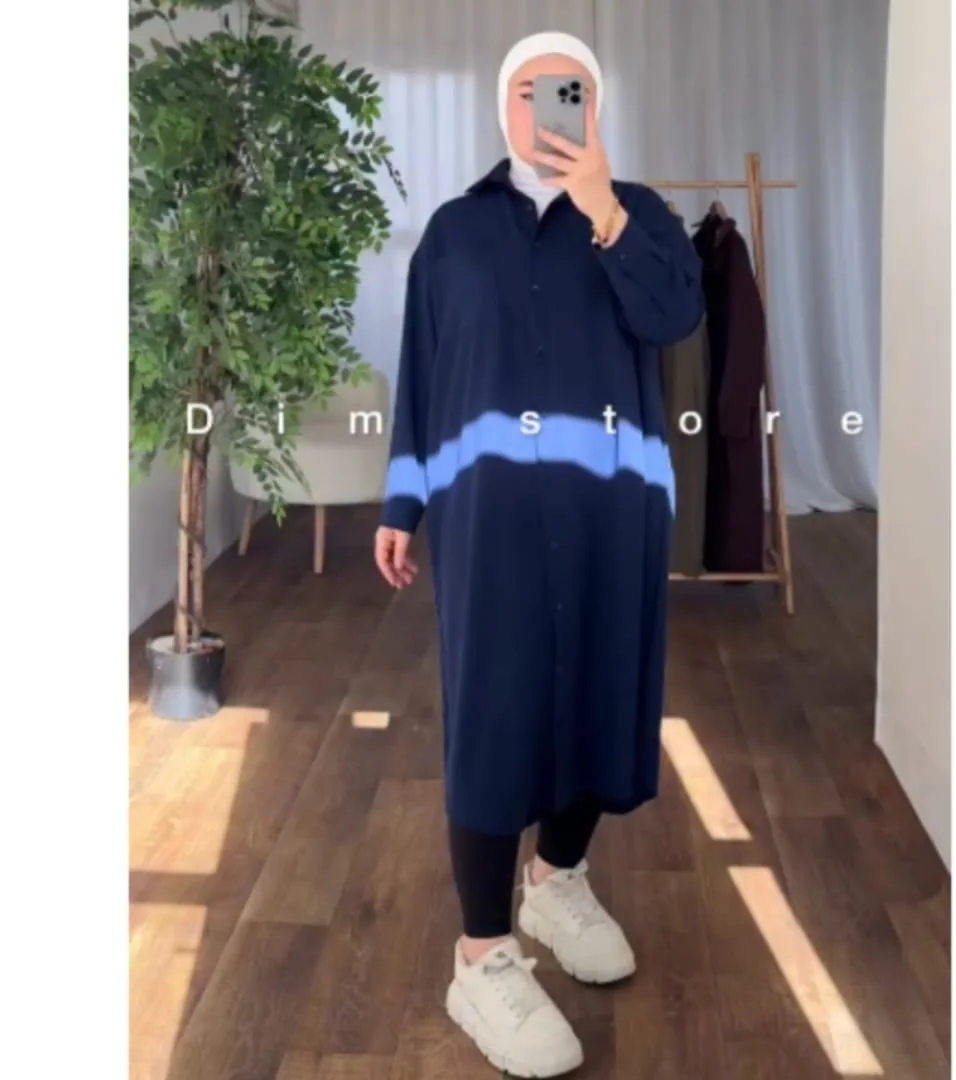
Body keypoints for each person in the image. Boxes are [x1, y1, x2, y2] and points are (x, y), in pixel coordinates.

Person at [374, 30, 703, 1079]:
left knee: (602, 693)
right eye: (529, 91)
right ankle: (481, 956)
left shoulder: (640, 215)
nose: (547, 108)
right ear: (500, 106)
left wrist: (605, 210)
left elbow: (676, 315)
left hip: (615, 511)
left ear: (594, 109)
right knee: (496, 710)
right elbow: (424, 372)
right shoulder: (454, 234)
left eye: (569, 92)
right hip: (491, 522)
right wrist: (402, 499)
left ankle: (556, 879)